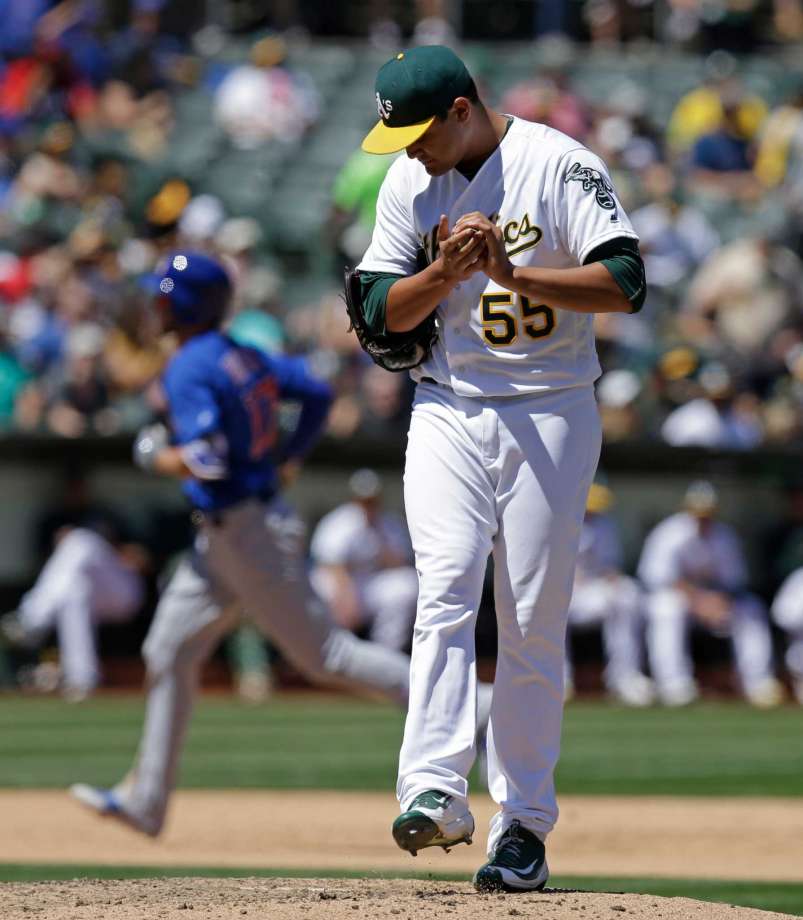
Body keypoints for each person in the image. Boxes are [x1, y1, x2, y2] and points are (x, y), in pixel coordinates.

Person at [356, 45, 646, 892]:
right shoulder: (411, 183)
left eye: (418, 131)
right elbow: (376, 309)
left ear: (460, 110)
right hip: (446, 400)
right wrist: (442, 272)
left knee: (528, 619)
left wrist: (514, 274)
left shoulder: (556, 163)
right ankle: (434, 790)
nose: (408, 149)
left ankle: (521, 825)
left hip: (550, 406)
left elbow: (625, 280)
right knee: (443, 586)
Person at [67, 251, 424, 837]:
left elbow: (208, 460)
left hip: (246, 530)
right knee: (169, 652)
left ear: (182, 306)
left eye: (163, 297)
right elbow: (314, 392)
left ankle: (470, 711)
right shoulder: (241, 353)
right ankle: (147, 803)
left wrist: (154, 456)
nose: (155, 306)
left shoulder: (188, 366)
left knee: (327, 657)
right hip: (230, 534)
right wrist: (288, 456)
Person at [637, 481, 783, 708]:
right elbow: (657, 579)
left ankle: (757, 682)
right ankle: (674, 684)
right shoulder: (669, 533)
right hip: (679, 600)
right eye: (698, 512)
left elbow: (734, 581)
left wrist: (719, 601)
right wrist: (698, 600)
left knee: (751, 608)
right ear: (686, 508)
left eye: (707, 513)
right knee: (666, 610)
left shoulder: (725, 536)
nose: (702, 518)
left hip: (713, 603)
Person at [564, 483, 653, 707]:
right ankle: (560, 679)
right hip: (562, 590)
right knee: (549, 608)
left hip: (593, 591)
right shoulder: (559, 521)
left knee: (627, 595)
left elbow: (610, 568)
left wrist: (612, 581)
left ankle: (624, 677)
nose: (592, 514)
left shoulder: (605, 526)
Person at [310, 468, 418, 652]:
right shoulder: (340, 521)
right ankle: (320, 650)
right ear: (354, 499)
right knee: (318, 584)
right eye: (364, 500)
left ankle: (386, 654)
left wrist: (380, 539)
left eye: (372, 500)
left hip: (369, 585)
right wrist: (346, 595)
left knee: (407, 585)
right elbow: (329, 564)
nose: (368, 505)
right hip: (341, 583)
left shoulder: (389, 524)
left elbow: (401, 563)